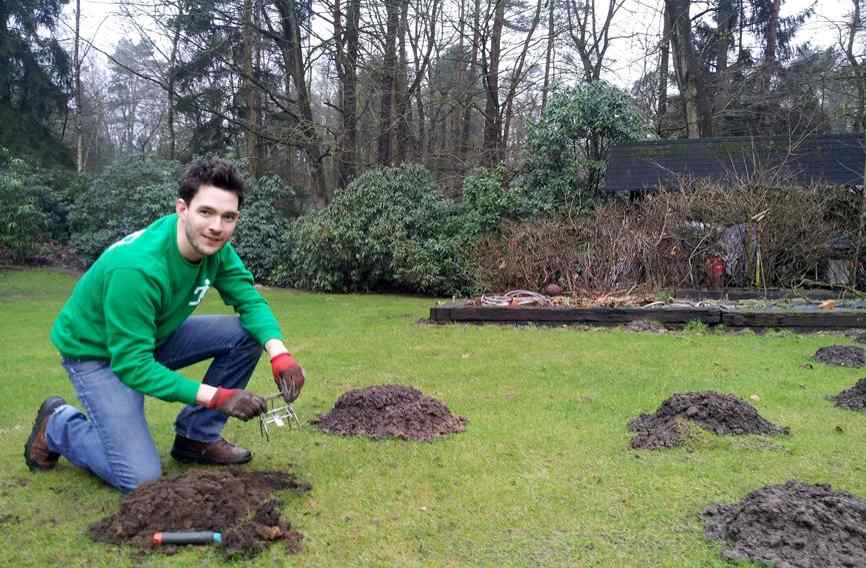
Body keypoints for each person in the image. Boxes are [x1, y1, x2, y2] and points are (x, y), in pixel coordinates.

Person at [23, 158, 306, 492]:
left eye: (227, 217)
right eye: (206, 212)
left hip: (152, 337)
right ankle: (59, 425)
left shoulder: (216, 249)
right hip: (96, 355)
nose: (217, 226)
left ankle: (195, 439)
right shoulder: (137, 269)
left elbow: (249, 300)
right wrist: (217, 396)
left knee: (247, 335)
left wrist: (279, 353)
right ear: (182, 209)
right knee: (139, 477)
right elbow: (132, 365)